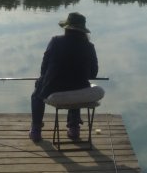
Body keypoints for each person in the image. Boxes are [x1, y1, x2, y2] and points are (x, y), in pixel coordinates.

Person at [30, 11, 99, 143]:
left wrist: (43, 79)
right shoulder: (89, 46)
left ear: (67, 28)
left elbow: (44, 67)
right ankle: (74, 128)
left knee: (37, 90)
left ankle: (36, 130)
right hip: (79, 89)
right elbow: (93, 73)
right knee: (76, 87)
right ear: (83, 31)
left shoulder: (55, 41)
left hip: (53, 89)